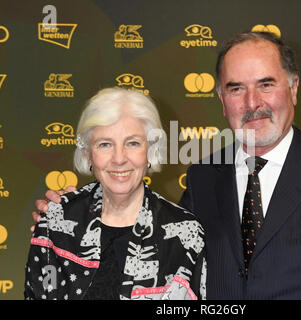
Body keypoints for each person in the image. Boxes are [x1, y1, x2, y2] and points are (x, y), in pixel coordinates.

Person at [34, 31, 301, 299]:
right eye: (235, 88)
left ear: (293, 88)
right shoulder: (202, 176)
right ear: (221, 99)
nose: (251, 102)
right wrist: (78, 214)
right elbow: (157, 242)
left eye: (266, 84)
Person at [26, 87, 206, 300]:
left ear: (150, 150)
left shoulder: (186, 233)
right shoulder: (57, 221)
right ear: (88, 154)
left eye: (132, 143)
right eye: (105, 144)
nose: (119, 158)